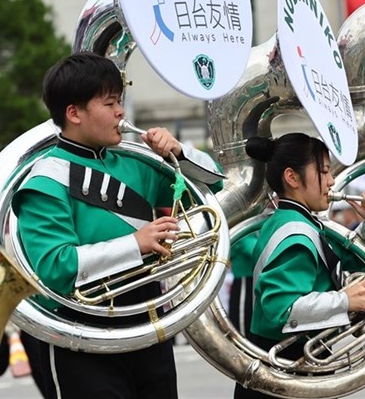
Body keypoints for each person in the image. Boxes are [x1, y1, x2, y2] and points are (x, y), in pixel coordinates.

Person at [12, 52, 223, 399]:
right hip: (80, 336)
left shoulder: (137, 163)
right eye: (109, 103)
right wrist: (135, 244)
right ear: (74, 113)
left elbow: (214, 188)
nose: (121, 112)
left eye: (120, 102)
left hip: (146, 324)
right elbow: (54, 267)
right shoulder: (44, 180)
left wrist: (179, 154)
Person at [234, 133, 365, 399]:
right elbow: (281, 309)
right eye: (324, 172)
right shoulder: (295, 232)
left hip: (291, 369)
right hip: (286, 373)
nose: (332, 181)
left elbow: (358, 261)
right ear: (292, 178)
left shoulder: (298, 221)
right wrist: (344, 300)